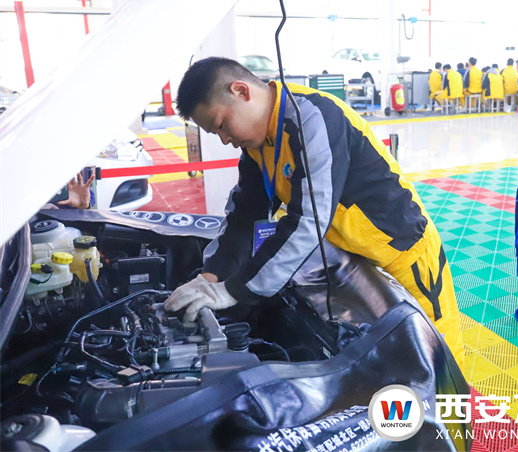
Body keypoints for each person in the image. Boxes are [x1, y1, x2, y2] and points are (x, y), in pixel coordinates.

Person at [168, 57, 465, 369]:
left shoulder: (313, 118)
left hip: (405, 257)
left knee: (438, 359)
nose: (225, 140)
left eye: (221, 125)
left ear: (241, 91)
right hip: (356, 261)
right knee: (390, 363)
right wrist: (210, 276)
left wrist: (234, 289)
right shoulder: (258, 144)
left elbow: (308, 220)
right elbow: (245, 216)